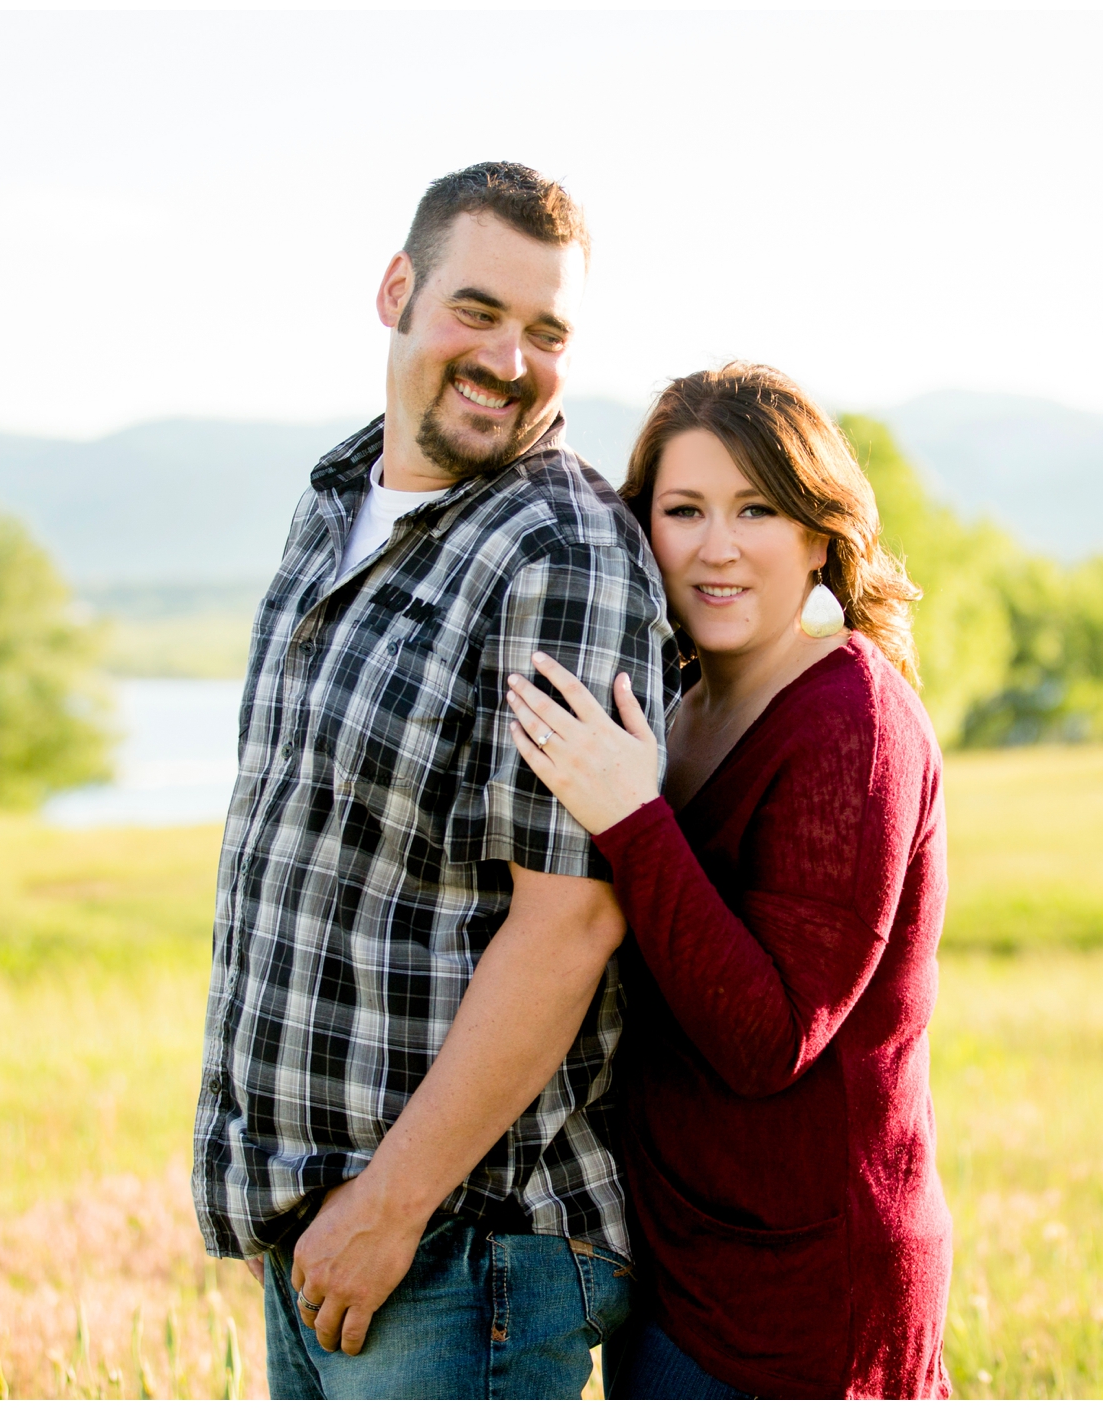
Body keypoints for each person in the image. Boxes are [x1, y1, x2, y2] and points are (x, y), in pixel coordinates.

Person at [190, 161, 678, 1399]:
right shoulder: (330, 504)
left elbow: (569, 922)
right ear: (397, 289)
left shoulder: (556, 551)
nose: (510, 359)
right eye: (479, 311)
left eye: (547, 332)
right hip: (325, 1229)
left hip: (463, 1253)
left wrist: (389, 1209)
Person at [504, 363, 954, 1399]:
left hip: (801, 1290)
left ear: (816, 532)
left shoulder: (855, 724)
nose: (716, 546)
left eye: (755, 508)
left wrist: (633, 818)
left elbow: (768, 1039)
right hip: (673, 1262)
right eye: (683, 509)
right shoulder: (667, 706)